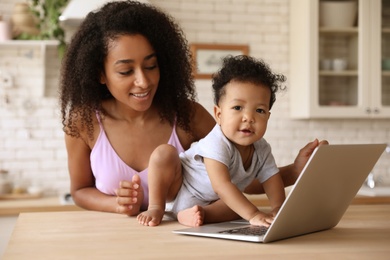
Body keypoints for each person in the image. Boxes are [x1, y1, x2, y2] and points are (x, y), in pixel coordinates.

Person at [59, 0, 326, 217]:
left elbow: (238, 180)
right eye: (126, 70)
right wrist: (115, 204)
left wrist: (295, 170)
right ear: (100, 74)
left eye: (151, 66)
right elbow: (80, 190)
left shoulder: (188, 116)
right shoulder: (83, 122)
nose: (143, 80)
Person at [138, 55, 287, 227]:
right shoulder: (217, 142)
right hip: (179, 187)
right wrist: (253, 214)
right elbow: (221, 185)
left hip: (211, 202)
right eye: (238, 108)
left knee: (237, 204)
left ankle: (196, 215)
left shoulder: (262, 149)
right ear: (219, 114)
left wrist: (278, 208)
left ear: (268, 116)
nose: (249, 117)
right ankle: (156, 207)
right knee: (164, 153)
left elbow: (272, 179)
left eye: (259, 110)